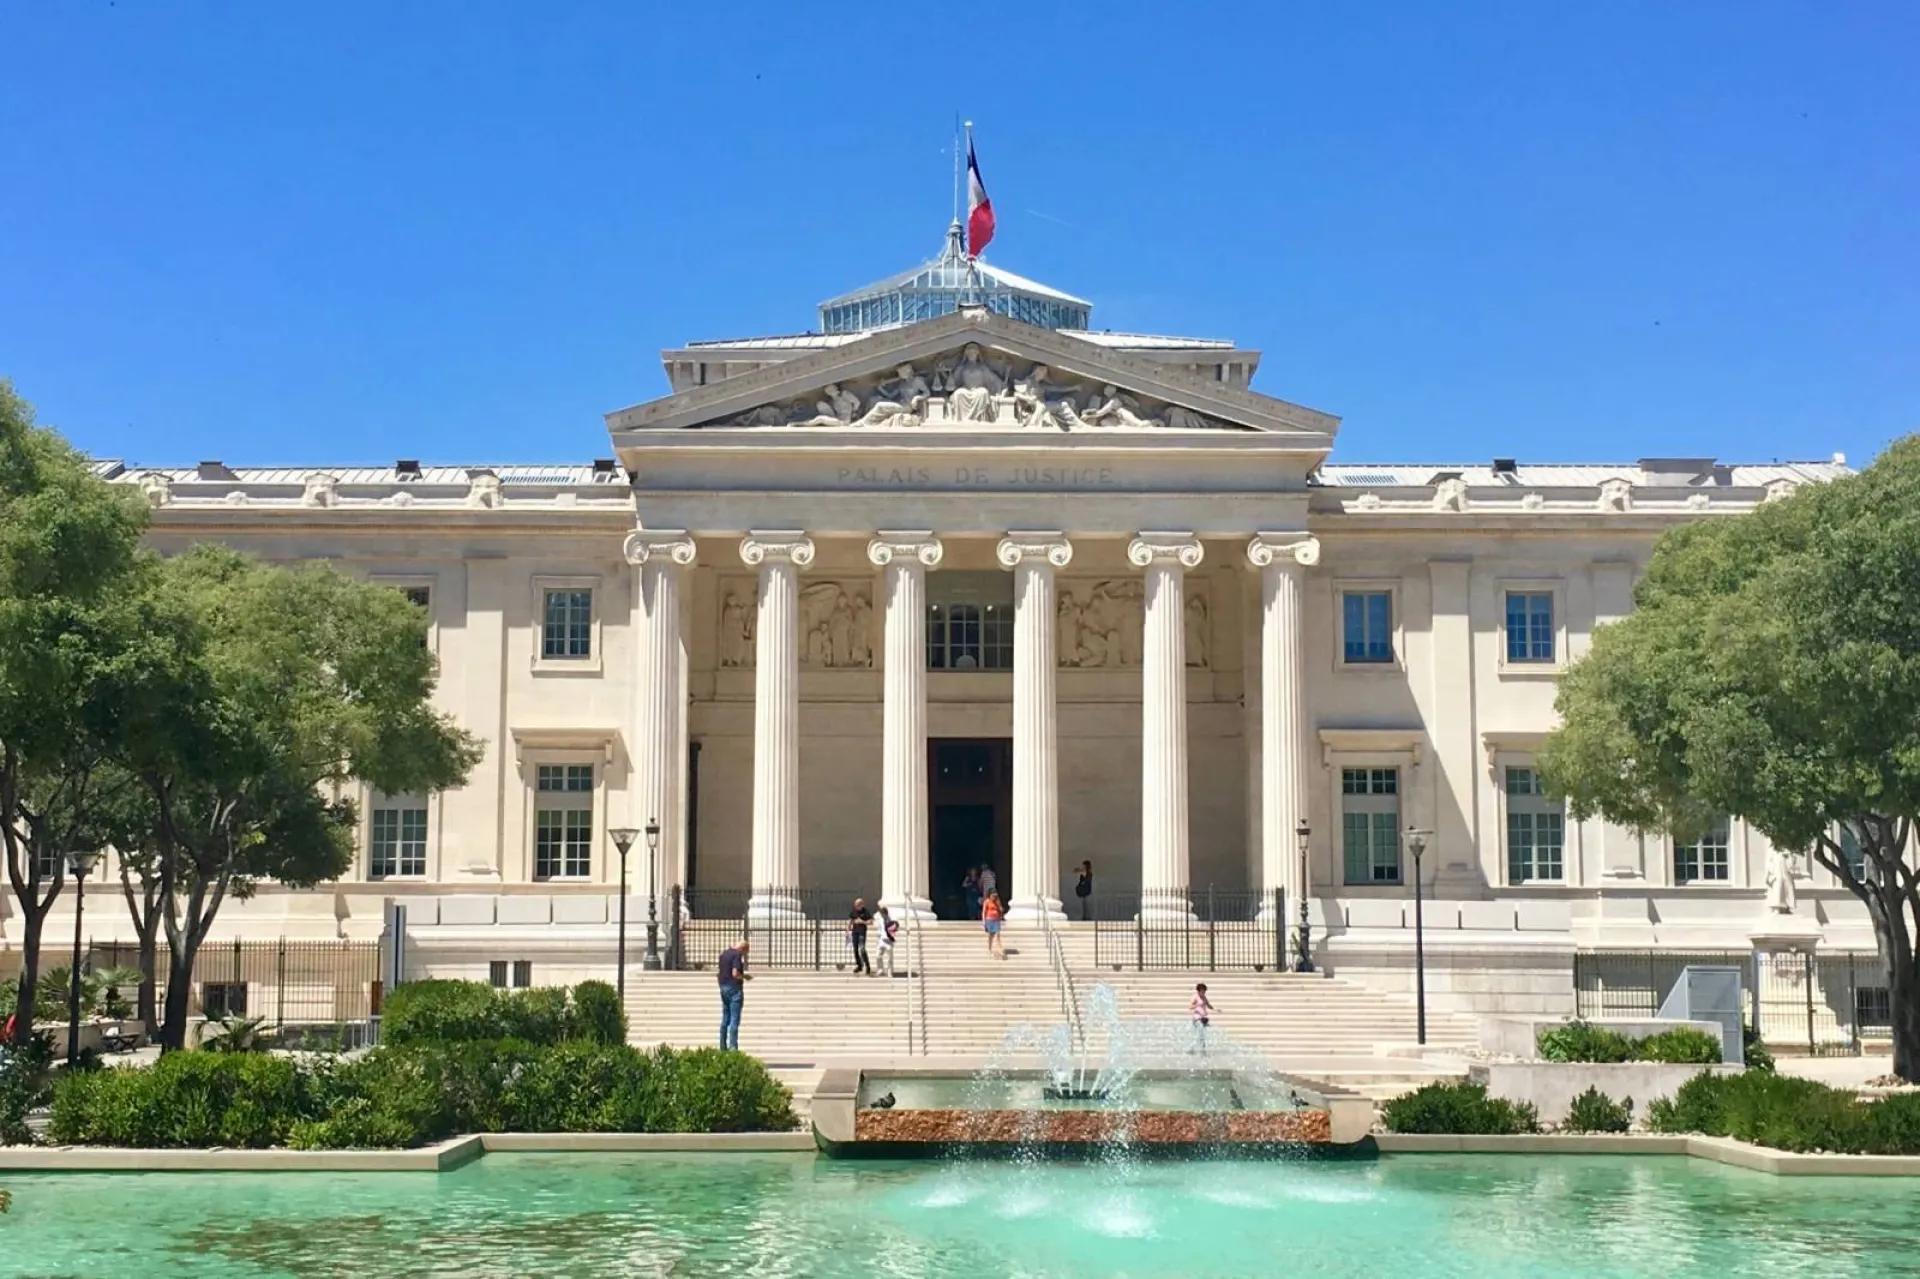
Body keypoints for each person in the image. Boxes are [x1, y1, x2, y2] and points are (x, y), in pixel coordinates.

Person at [718, 939, 751, 1051]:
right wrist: (745, 977)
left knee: (725, 1018)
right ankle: (733, 1048)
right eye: (745, 952)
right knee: (734, 1020)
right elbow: (735, 973)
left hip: (723, 987)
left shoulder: (724, 954)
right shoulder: (737, 955)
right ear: (743, 948)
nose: (744, 955)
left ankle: (722, 1046)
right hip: (734, 989)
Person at [848, 897, 873, 976]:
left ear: (861, 905)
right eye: (856, 905)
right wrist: (848, 928)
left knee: (862, 949)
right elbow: (850, 920)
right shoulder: (854, 911)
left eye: (858, 905)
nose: (856, 906)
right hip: (855, 932)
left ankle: (868, 966)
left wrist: (862, 922)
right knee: (855, 950)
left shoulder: (866, 912)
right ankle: (859, 965)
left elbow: (870, 922)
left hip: (862, 932)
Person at [1190, 982, 1214, 1054]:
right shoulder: (1195, 997)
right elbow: (1191, 1007)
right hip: (1197, 1018)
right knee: (1200, 1033)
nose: (1203, 992)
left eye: (1204, 991)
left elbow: (1209, 1005)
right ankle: (1195, 1048)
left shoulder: (1204, 997)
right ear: (1198, 991)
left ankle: (1201, 1048)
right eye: (1202, 991)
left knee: (1203, 1034)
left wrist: (1214, 1008)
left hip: (1204, 1018)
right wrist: (1196, 1005)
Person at [876, 906, 899, 977]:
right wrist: (878, 938)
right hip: (882, 940)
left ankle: (890, 972)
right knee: (878, 956)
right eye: (881, 914)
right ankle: (880, 969)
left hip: (889, 941)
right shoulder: (880, 919)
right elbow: (879, 929)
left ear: (885, 913)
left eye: (882, 914)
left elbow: (895, 928)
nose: (881, 915)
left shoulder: (892, 919)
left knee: (889, 958)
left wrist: (892, 935)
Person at [982, 891, 1006, 960]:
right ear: (990, 895)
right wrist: (984, 921)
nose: (994, 897)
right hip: (989, 920)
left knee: (997, 935)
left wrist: (1000, 907)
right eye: (993, 896)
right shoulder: (987, 902)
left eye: (995, 896)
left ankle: (1000, 950)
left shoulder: (997, 902)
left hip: (996, 920)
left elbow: (1001, 910)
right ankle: (989, 948)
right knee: (991, 935)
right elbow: (984, 911)